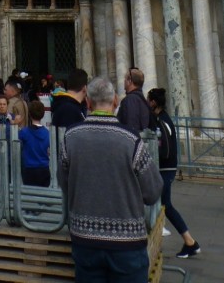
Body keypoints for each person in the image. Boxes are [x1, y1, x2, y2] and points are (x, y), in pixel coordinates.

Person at [59, 76, 163, 283]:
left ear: (87, 102)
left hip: (84, 239)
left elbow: (64, 183)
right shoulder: (131, 140)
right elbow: (152, 191)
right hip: (126, 244)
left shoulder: (70, 137)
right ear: (116, 101)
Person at [147, 88, 200, 257]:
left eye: (148, 101)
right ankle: (185, 242)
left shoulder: (161, 121)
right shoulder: (164, 119)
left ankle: (190, 242)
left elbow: (164, 149)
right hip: (167, 168)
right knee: (159, 206)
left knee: (165, 206)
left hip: (164, 168)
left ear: (154, 103)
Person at [19, 99, 51, 187]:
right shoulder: (47, 133)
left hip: (29, 168)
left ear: (29, 114)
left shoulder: (24, 132)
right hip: (44, 168)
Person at [117, 67, 151, 135]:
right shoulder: (141, 99)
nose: (124, 81)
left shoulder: (131, 100)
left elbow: (131, 127)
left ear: (130, 81)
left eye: (125, 79)